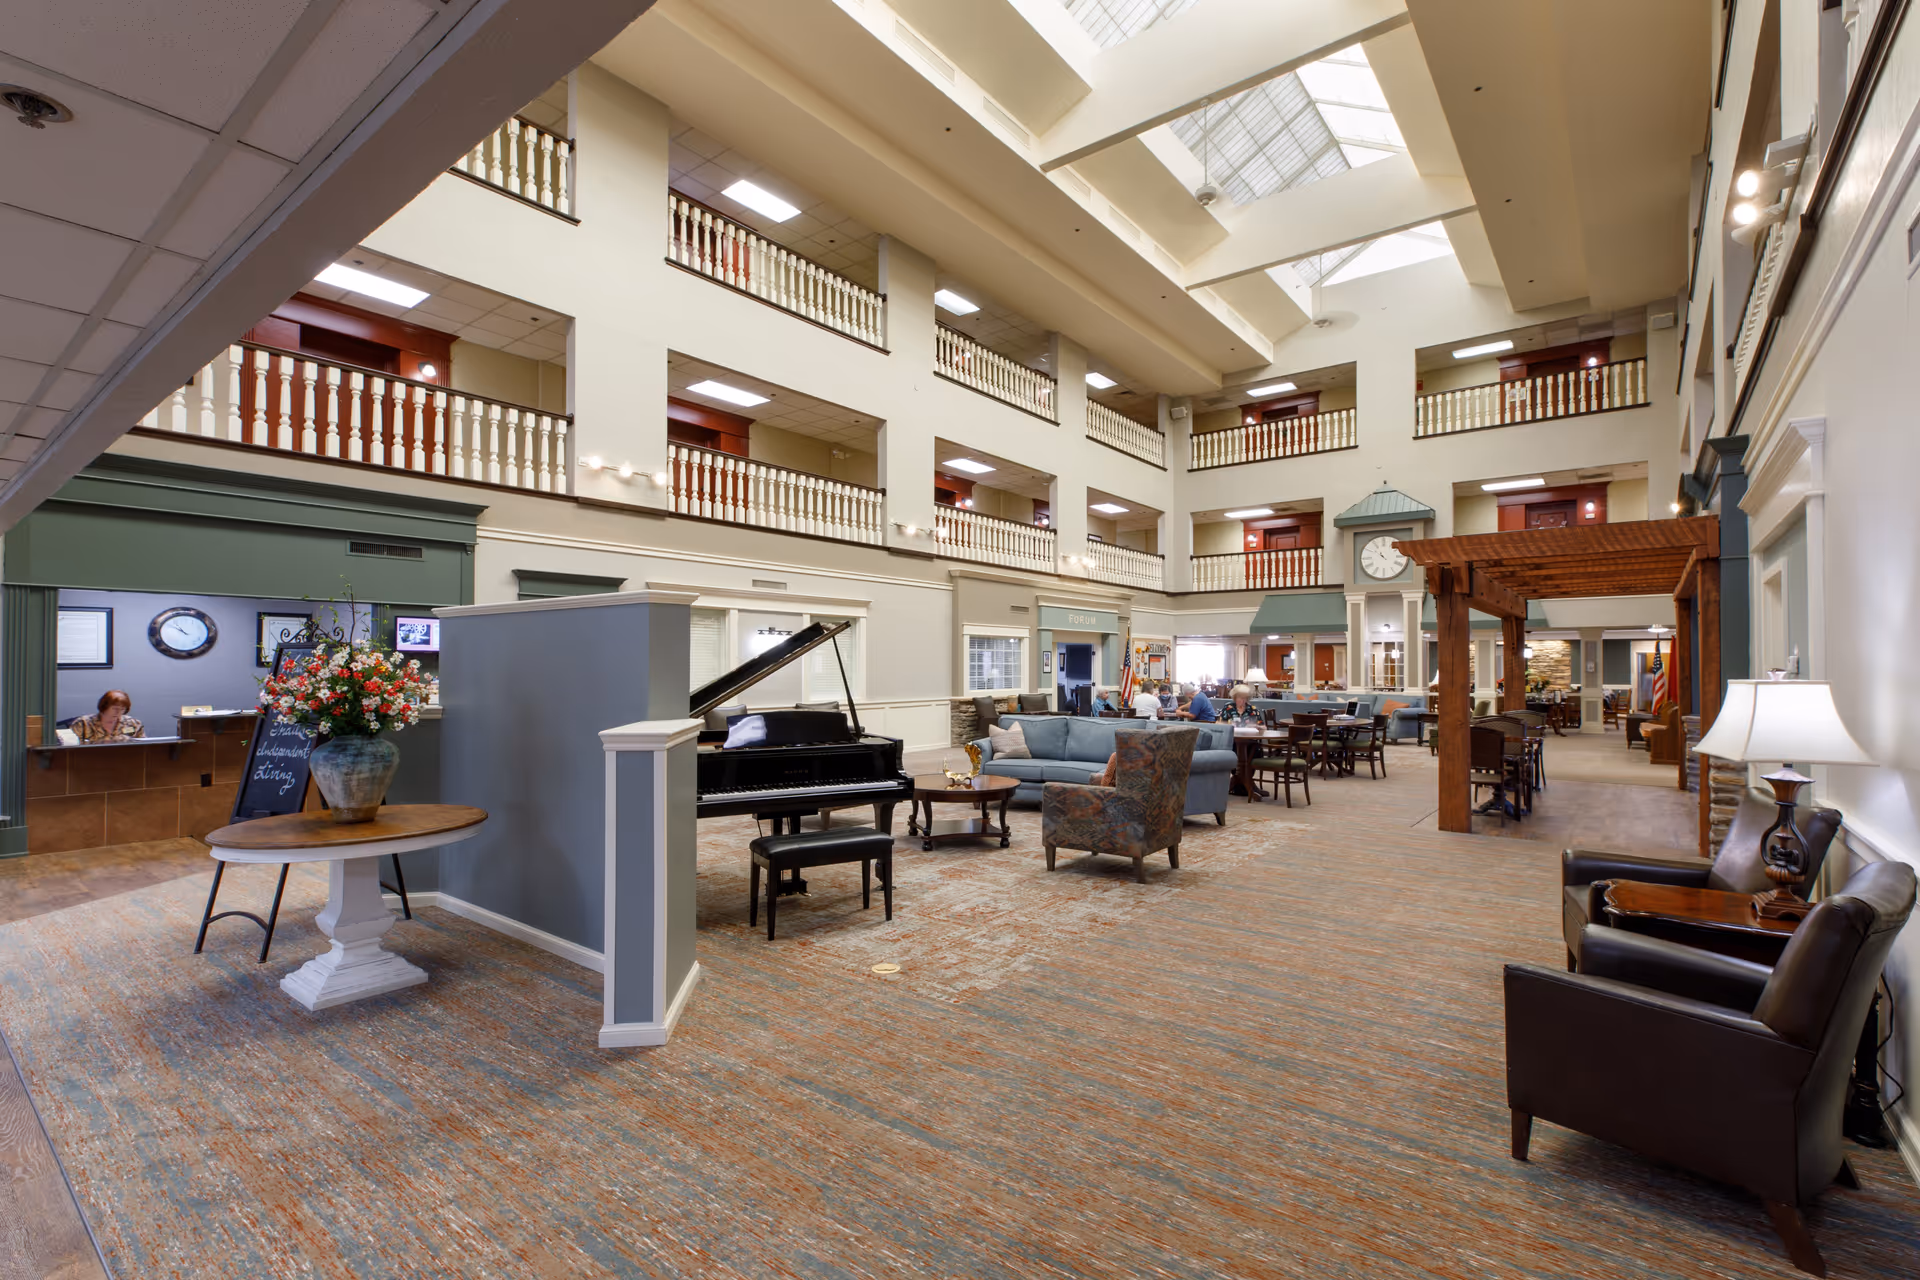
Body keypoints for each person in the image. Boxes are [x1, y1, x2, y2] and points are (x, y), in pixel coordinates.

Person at [72, 690, 144, 742]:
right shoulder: (83, 724)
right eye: (114, 708)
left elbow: (144, 745)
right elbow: (69, 748)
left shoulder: (133, 723)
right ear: (104, 706)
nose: (118, 712)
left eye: (122, 709)